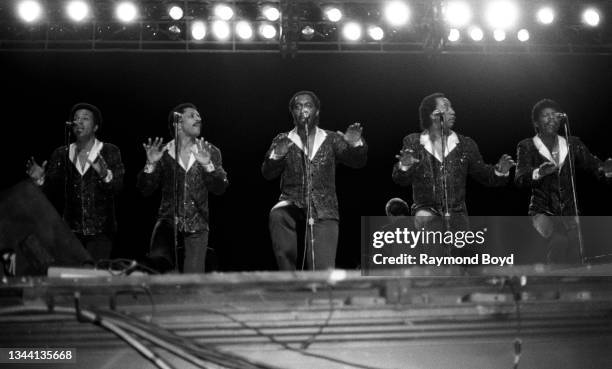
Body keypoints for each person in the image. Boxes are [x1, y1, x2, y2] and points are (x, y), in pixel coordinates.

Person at [392, 93, 514, 256]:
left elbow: (484, 175)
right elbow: (400, 179)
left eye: (452, 108)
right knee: (434, 246)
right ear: (433, 114)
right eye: (446, 107)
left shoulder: (465, 144)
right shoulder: (413, 142)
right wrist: (404, 166)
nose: (453, 112)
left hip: (457, 216)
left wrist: (500, 171)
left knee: (460, 266)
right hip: (426, 212)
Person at [262, 91, 367, 270]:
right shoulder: (283, 139)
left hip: (324, 207)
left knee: (323, 270)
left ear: (316, 111)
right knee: (278, 214)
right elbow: (267, 173)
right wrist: (277, 155)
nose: (303, 110)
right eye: (298, 106)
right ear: (293, 113)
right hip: (292, 201)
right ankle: (288, 276)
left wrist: (356, 144)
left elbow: (357, 162)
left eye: (308, 105)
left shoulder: (331, 138)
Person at [515, 98, 612, 263]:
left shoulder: (572, 143)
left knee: (575, 250)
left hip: (570, 212)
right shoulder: (527, 146)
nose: (552, 118)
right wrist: (539, 172)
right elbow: (520, 178)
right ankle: (552, 283)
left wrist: (606, 170)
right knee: (559, 242)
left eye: (555, 115)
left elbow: (593, 164)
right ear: (536, 122)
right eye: (546, 115)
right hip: (542, 212)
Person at [26, 103, 124, 261]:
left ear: (95, 127)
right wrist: (40, 180)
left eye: (85, 118)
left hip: (101, 232)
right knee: (72, 276)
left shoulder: (109, 151)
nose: (79, 122)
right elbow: (50, 193)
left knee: (94, 277)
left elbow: (117, 188)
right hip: (70, 232)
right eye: (76, 119)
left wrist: (104, 174)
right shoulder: (61, 154)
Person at [137, 103, 228, 273]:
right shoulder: (163, 152)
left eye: (199, 116)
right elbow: (145, 189)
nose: (198, 119)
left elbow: (220, 188)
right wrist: (150, 164)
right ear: (177, 122)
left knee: (192, 281)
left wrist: (208, 164)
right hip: (167, 223)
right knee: (161, 271)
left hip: (198, 225)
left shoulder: (210, 151)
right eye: (192, 115)